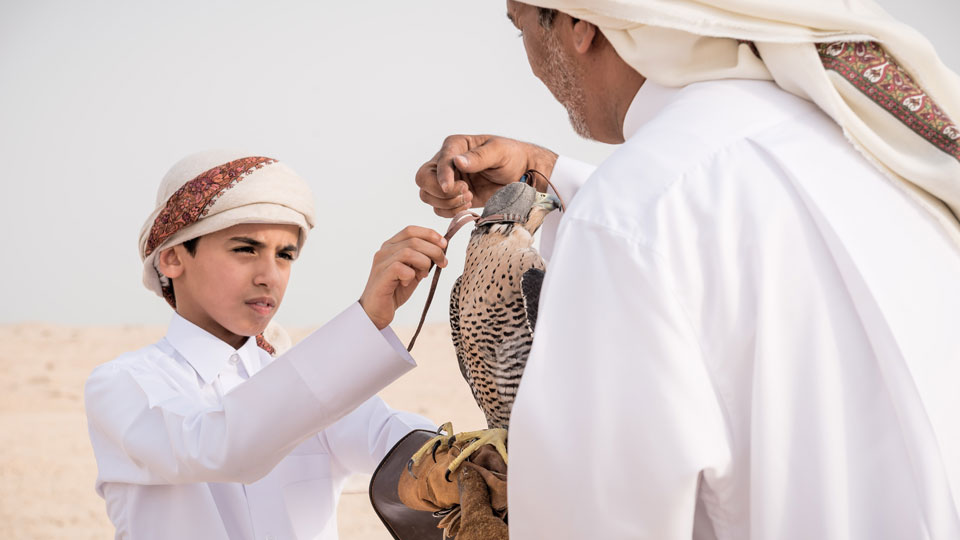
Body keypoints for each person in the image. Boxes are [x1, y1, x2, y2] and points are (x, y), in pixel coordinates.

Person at [414, 0, 960, 538]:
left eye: (522, 28)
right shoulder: (875, 145)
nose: (531, 62)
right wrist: (554, 177)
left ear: (580, 24)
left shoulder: (630, 213)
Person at [85, 150, 445, 540]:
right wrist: (365, 320)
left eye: (285, 255)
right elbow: (221, 447)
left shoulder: (311, 382)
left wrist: (467, 463)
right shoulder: (122, 385)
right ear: (172, 258)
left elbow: (396, 440)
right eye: (246, 249)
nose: (269, 276)